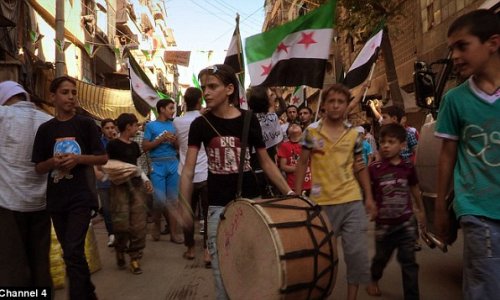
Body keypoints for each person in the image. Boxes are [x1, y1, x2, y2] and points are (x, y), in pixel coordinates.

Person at [179, 64, 293, 300]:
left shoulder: (249, 120)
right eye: (203, 87)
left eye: (213, 86)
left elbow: (266, 162)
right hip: (218, 208)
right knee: (223, 278)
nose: (206, 92)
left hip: (252, 204)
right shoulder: (199, 125)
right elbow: (188, 170)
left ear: (230, 89)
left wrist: (290, 193)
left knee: (255, 268)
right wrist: (185, 206)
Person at [434, 10, 500, 300]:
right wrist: (439, 209)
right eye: (451, 49)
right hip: (477, 209)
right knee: (484, 286)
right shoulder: (454, 100)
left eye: (462, 46)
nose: (455, 56)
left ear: (492, 43)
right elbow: (447, 157)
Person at [294, 83, 377, 300]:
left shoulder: (355, 135)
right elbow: (302, 163)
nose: (336, 105)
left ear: (347, 105)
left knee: (356, 254)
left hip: (351, 201)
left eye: (341, 101)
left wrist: (368, 196)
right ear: (324, 105)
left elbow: (360, 166)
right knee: (322, 257)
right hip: (321, 205)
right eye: (331, 101)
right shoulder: (311, 132)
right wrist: (296, 195)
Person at [32, 76, 108, 300]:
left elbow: (102, 158)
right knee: (71, 253)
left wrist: (78, 159)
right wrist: (53, 163)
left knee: (74, 250)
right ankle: (89, 293)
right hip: (56, 199)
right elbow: (38, 167)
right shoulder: (45, 129)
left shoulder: (85, 125)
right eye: (65, 92)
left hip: (81, 196)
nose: (71, 97)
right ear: (52, 96)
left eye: (74, 92)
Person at [0, 81, 52, 287]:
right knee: (40, 260)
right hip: (40, 203)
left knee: (12, 262)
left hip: (8, 204)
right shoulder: (47, 120)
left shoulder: (3, 116)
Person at [366, 123, 426, 299]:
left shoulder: (407, 167)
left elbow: (414, 188)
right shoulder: (375, 169)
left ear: (402, 145)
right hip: (384, 225)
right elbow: (367, 189)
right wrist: (369, 203)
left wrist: (421, 210)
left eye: (391, 142)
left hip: (406, 224)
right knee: (380, 259)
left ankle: (412, 296)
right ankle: (374, 278)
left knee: (409, 262)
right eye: (382, 142)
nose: (385, 145)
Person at [106, 113, 152, 275]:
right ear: (128, 127)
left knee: (138, 224)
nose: (137, 128)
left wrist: (146, 179)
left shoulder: (134, 146)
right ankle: (120, 249)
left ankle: (135, 257)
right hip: (119, 188)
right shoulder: (113, 146)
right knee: (121, 223)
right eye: (135, 125)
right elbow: (108, 165)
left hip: (137, 187)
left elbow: (137, 165)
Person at [173, 87, 210, 264]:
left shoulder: (177, 122)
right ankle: (208, 251)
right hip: (204, 171)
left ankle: (190, 249)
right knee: (208, 214)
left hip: (184, 173)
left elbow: (177, 143)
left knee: (187, 213)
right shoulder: (205, 119)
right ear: (199, 101)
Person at [143, 99, 183, 243]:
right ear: (161, 109)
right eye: (171, 108)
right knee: (159, 200)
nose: (173, 111)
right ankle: (157, 223)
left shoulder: (174, 125)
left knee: (173, 200)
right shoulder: (151, 126)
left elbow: (179, 147)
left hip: (173, 163)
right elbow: (145, 147)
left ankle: (174, 233)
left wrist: (174, 141)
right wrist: (161, 139)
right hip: (157, 165)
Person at [247, 86, 284, 197]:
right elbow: (283, 108)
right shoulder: (273, 117)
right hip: (272, 170)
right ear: (266, 102)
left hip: (254, 169)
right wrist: (279, 96)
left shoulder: (246, 121)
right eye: (270, 96)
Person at [94, 118, 116, 247]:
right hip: (103, 181)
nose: (110, 130)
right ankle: (111, 234)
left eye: (112, 127)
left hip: (118, 180)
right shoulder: (98, 143)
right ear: (102, 130)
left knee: (119, 209)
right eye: (107, 128)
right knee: (107, 209)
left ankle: (120, 233)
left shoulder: (119, 142)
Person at [277, 122, 312, 196]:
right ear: (288, 134)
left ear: (302, 132)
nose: (294, 125)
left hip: (310, 184)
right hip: (293, 186)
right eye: (291, 126)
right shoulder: (284, 146)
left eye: (297, 125)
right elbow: (283, 166)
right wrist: (300, 168)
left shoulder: (308, 143)